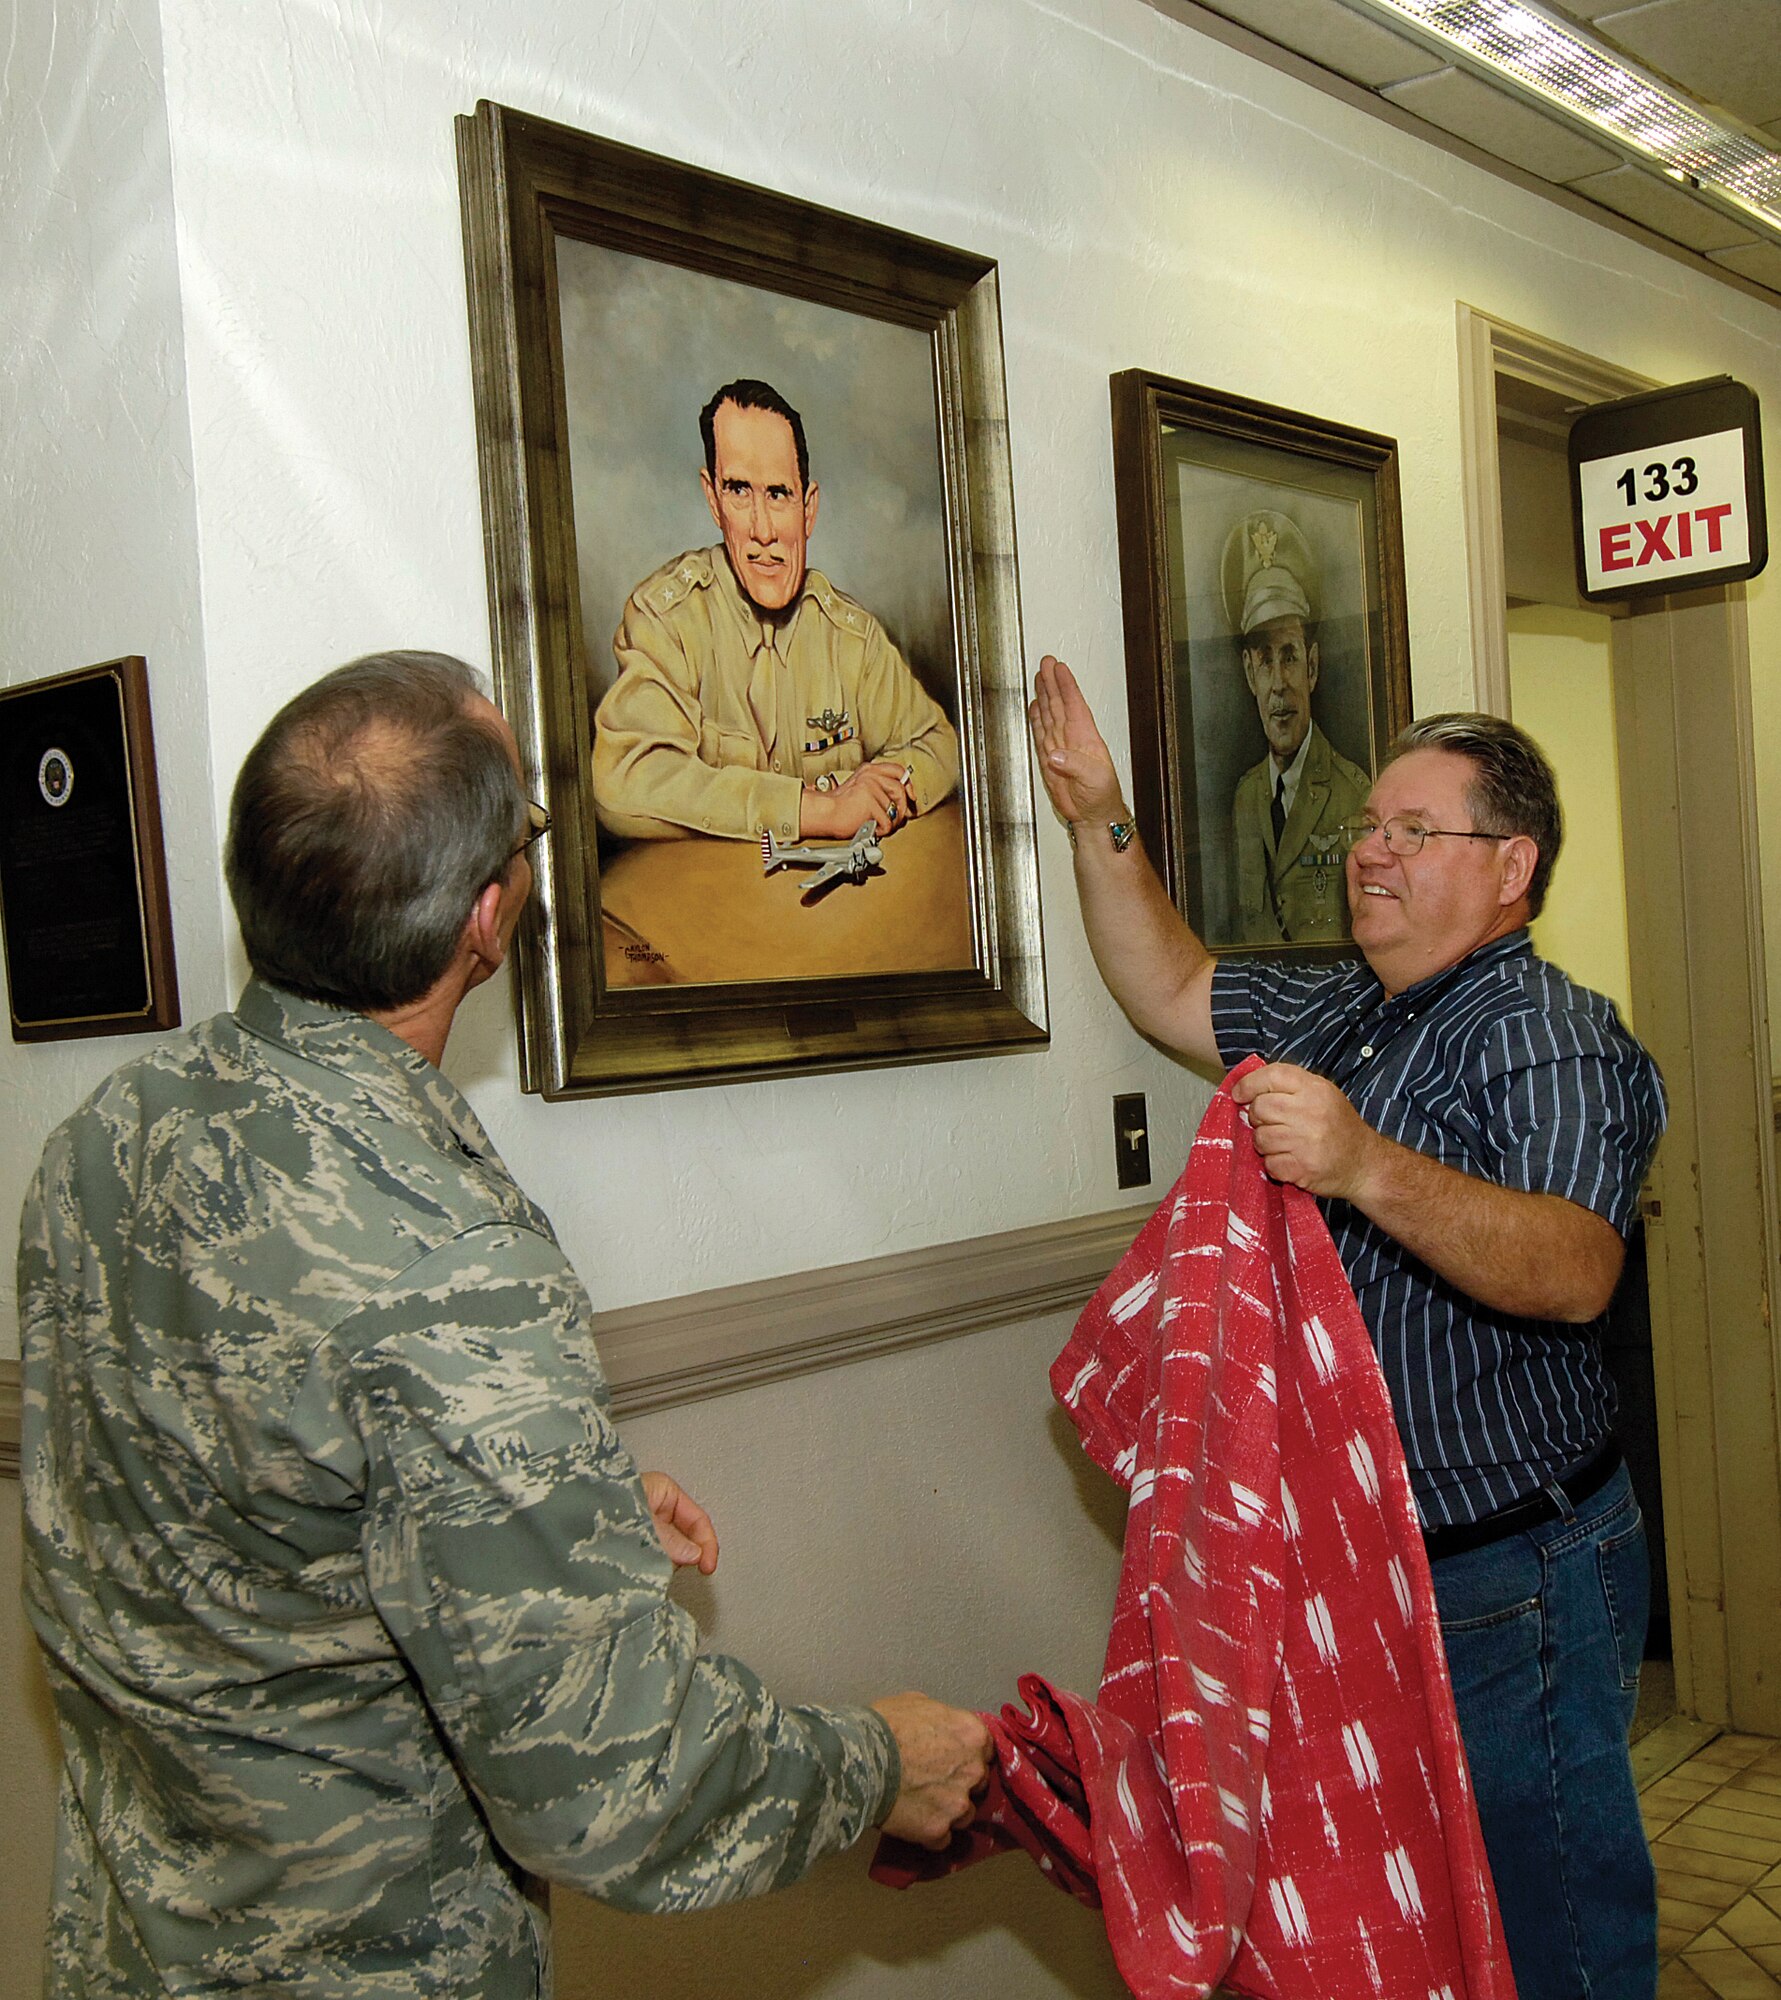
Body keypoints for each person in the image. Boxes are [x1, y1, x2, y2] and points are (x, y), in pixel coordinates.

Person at [18, 650, 990, 1999]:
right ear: (487, 917)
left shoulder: (106, 1137)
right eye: (531, 833)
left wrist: (541, 1502)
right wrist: (878, 1765)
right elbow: (613, 1781)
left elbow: (229, 1505)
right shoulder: (450, 1261)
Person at [1030, 653, 1665, 2000]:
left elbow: (1576, 1267)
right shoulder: (1347, 1009)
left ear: (1511, 869)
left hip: (1512, 1577)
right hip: (1371, 1580)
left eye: (1412, 830)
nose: (1367, 850)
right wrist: (1100, 816)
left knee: (1554, 1923)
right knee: (1424, 1923)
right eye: (1368, 825)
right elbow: (1171, 986)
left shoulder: (1545, 1034)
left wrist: (1365, 1164)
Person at [592, 378, 961, 849]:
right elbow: (625, 778)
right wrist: (815, 808)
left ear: (808, 509)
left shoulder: (850, 638)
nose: (762, 530)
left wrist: (876, 795)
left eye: (779, 494)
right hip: (711, 908)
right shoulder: (667, 620)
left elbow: (937, 745)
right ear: (713, 500)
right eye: (739, 491)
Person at [1223, 511, 1369, 944]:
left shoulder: (1354, 792)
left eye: (1288, 655)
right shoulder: (1246, 799)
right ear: (1250, 675)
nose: (1279, 685)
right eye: (1265, 661)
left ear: (1313, 666)